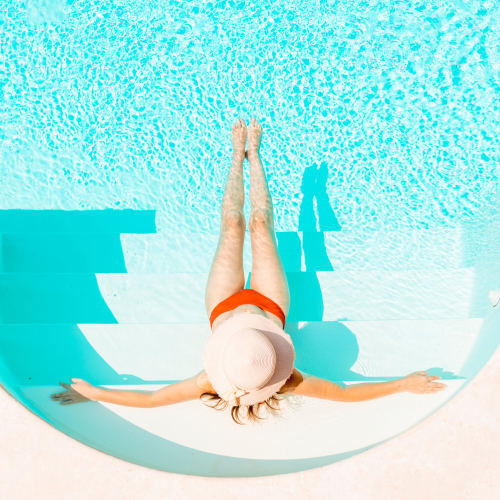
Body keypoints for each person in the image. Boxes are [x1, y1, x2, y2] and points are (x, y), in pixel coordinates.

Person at [52, 118, 446, 424]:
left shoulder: (212, 381)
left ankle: (236, 153)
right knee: (260, 224)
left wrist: (96, 393)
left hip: (222, 305)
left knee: (232, 225)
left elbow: (153, 400)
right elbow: (342, 393)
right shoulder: (290, 379)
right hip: (270, 306)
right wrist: (403, 384)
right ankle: (255, 157)